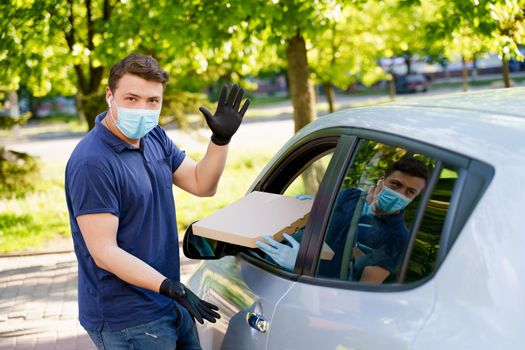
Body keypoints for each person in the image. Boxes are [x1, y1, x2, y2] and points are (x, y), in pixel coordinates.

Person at [65, 53, 250, 349]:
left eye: (153, 101)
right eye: (131, 98)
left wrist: (220, 140)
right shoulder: (93, 162)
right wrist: (169, 287)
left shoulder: (154, 137)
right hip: (128, 318)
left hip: (167, 301)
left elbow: (202, 184)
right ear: (109, 96)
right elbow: (104, 252)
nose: (143, 109)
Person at [257, 156, 429, 284]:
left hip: (312, 293)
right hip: (273, 277)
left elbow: (359, 291)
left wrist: (305, 267)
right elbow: (314, 219)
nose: (400, 194)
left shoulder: (398, 238)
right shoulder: (350, 196)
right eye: (396, 185)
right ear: (381, 181)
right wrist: (308, 205)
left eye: (410, 192)